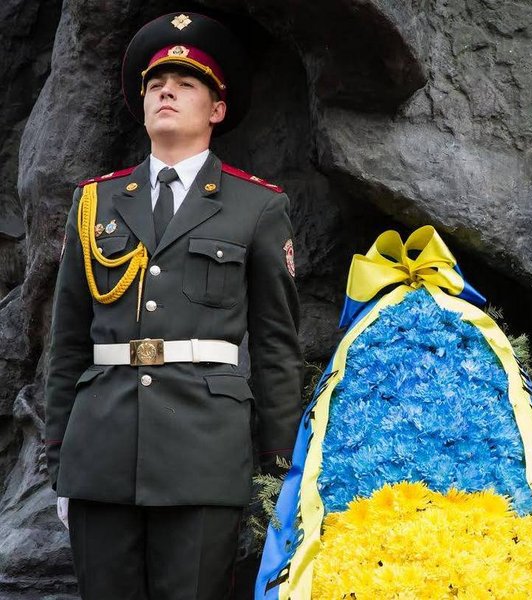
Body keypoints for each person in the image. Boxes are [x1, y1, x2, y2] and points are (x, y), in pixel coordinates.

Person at [44, 12, 304, 599]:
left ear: (217, 109)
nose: (167, 92)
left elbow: (276, 344)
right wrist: (58, 455)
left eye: (186, 84)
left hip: (203, 451)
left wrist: (282, 466)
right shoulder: (95, 202)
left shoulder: (256, 207)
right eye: (156, 85)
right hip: (100, 450)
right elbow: (68, 338)